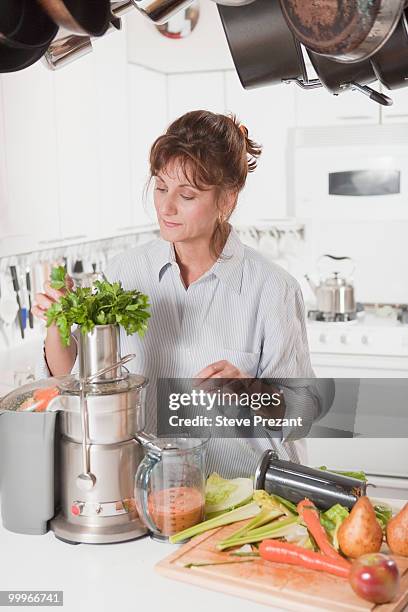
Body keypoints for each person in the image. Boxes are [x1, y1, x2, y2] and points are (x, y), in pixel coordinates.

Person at [33, 110, 329, 478]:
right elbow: (74, 378)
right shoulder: (124, 273)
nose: (166, 207)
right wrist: (56, 321)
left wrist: (250, 390)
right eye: (160, 187)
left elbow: (302, 413)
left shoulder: (272, 289)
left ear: (228, 199)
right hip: (150, 490)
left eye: (186, 195)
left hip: (245, 497)